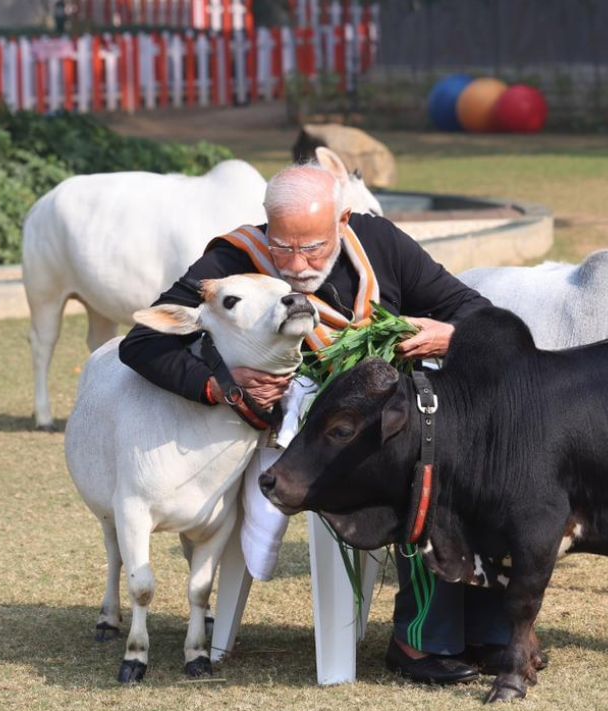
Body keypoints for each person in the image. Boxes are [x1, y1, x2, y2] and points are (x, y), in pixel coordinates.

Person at [119, 162, 509, 684]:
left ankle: (489, 633)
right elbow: (142, 341)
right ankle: (420, 642)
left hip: (384, 421)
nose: (298, 265)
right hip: (302, 440)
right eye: (284, 247)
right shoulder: (235, 258)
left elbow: (472, 310)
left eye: (314, 248)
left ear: (344, 220)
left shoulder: (379, 243)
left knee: (480, 462)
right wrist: (221, 385)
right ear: (265, 227)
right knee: (423, 470)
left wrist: (449, 335)